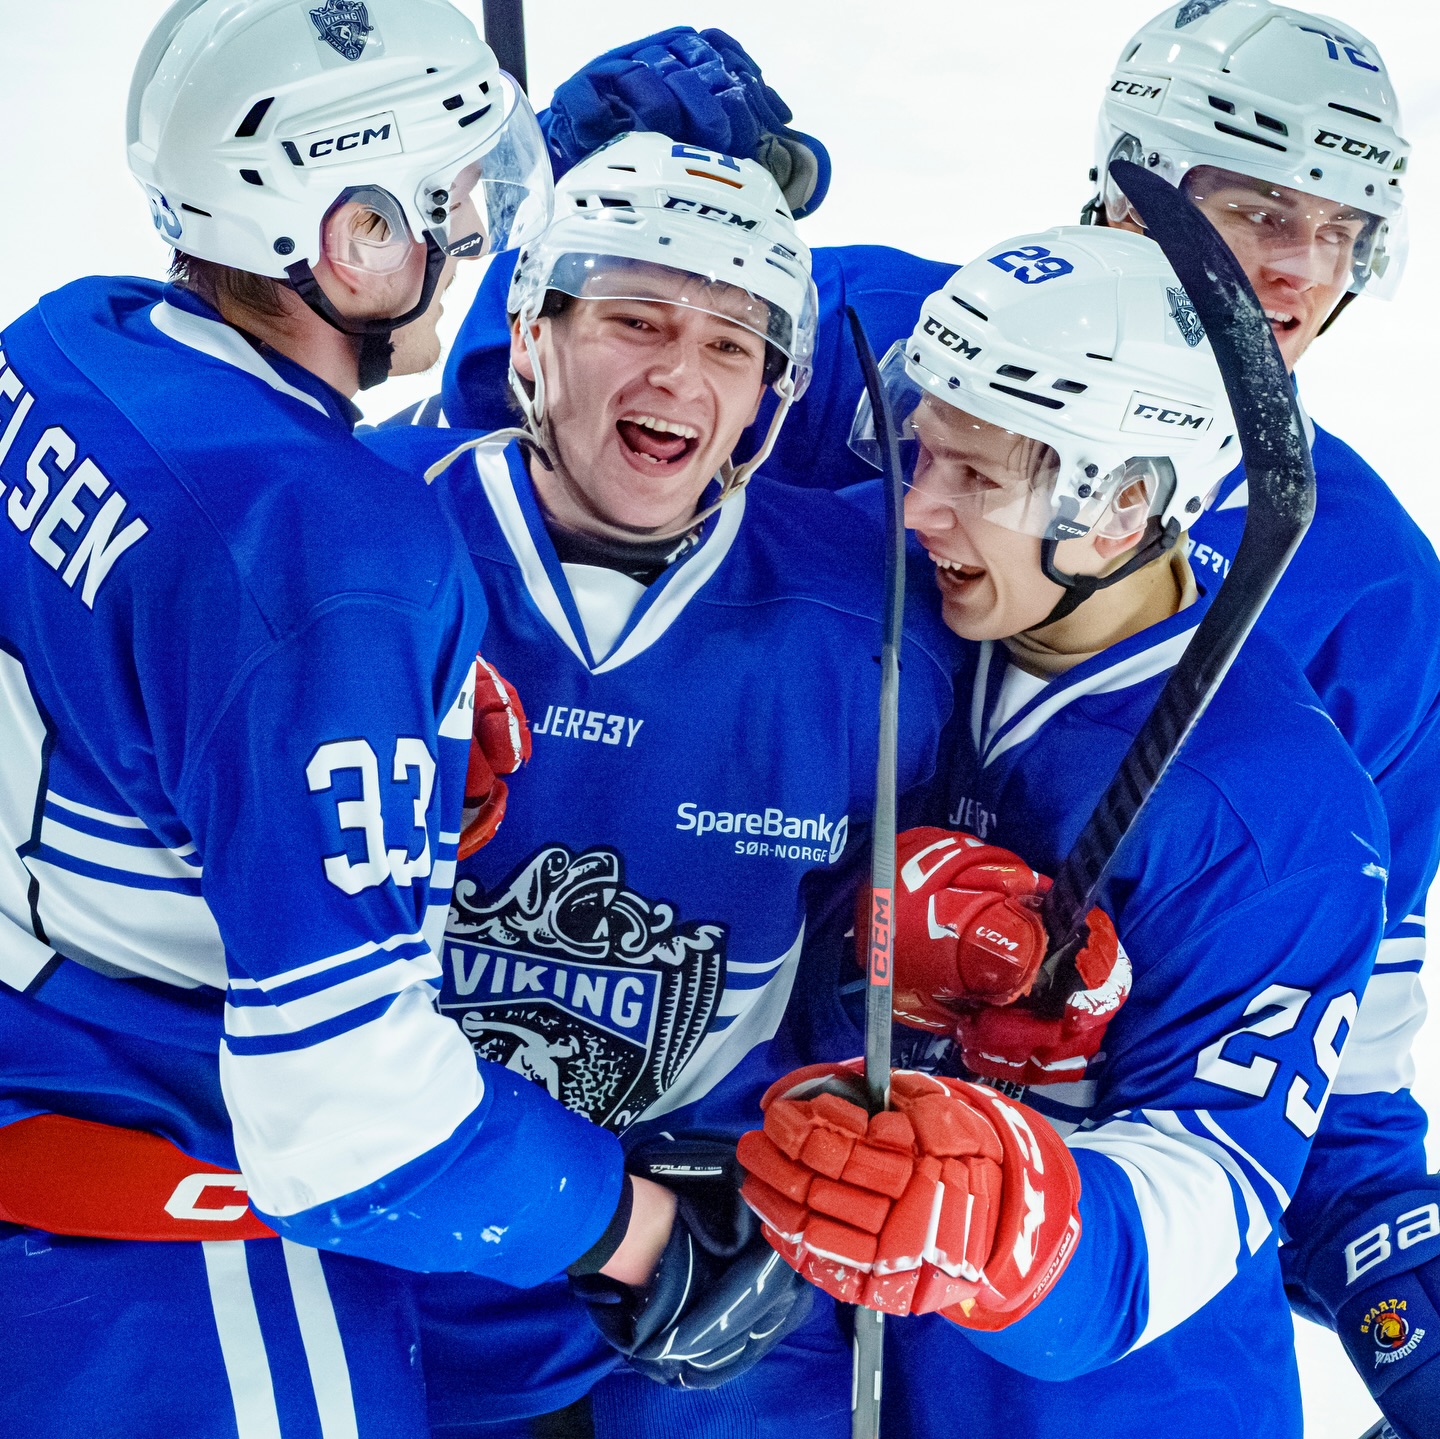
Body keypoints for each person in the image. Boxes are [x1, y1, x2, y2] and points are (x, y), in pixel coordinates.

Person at [441, 12, 1440, 1432]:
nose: (1289, 268)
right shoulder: (912, 354)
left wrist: (1392, 1266)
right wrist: (573, 199)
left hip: (1068, 1347)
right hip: (747, 1271)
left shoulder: (1367, 598)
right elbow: (555, 446)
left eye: (1338, 229)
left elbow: (1319, 1040)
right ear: (1128, 176)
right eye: (1251, 203)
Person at [0, 4, 678, 1435]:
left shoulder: (69, 341)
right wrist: (637, 1233)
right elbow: (352, 1115)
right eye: (449, 189)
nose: (482, 223)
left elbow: (145, 664)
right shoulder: (334, 551)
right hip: (173, 1279)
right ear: (352, 231)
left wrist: (363, 722)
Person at [739, 224, 1388, 1439]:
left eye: (976, 480)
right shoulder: (893, 608)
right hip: (826, 1358)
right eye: (920, 451)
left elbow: (1224, 1173)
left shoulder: (1271, 803)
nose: (916, 508)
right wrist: (850, 947)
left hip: (1112, 1403)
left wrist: (1014, 1214)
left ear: (1125, 502)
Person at [362, 130, 961, 1436]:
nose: (681, 372)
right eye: (635, 316)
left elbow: (897, 951)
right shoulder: (361, 543)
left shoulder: (878, 625)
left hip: (717, 1270)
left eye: (732, 344)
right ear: (531, 333)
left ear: (771, 395)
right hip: (365, 1253)